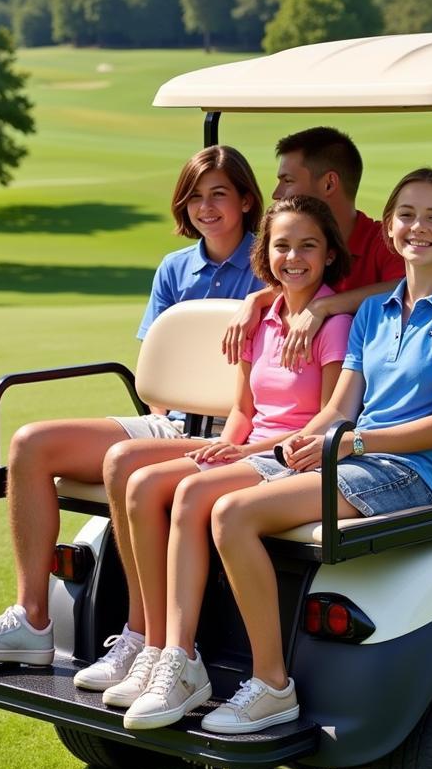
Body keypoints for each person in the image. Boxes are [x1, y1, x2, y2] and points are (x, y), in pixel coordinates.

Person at [120, 168, 432, 733]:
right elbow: (338, 409)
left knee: (233, 513)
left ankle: (273, 685)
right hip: (353, 456)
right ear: (391, 230)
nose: (418, 227)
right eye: (406, 215)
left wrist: (351, 442)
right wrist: (289, 444)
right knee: (196, 491)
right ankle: (177, 660)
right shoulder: (373, 312)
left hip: (411, 472)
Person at [0, 146, 265, 667]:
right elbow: (157, 376)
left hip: (233, 434)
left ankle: (142, 636)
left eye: (219, 195)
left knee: (126, 463)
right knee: (30, 444)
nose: (204, 207)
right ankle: (32, 620)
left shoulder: (271, 262)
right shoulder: (174, 268)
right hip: (170, 422)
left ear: (247, 200)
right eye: (194, 197)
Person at [92, 195, 353, 712]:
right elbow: (243, 408)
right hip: (253, 447)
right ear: (266, 253)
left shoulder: (334, 324)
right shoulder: (260, 317)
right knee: (138, 480)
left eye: (308, 246)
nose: (293, 257)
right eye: (282, 246)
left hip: (294, 458)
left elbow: (324, 422)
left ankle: (181, 657)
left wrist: (244, 452)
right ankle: (155, 645)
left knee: (190, 492)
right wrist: (227, 446)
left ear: (328, 256)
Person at [221, 126, 403, 370]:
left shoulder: (385, 242)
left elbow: (408, 290)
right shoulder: (293, 256)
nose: (276, 194)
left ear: (329, 184)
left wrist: (323, 307)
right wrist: (255, 300)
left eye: (287, 181)